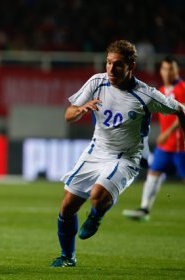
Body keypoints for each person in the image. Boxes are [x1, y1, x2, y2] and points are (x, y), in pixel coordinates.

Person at [50, 40, 185, 268]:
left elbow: (180, 108)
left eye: (118, 65)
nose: (111, 70)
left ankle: (97, 215)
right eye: (109, 63)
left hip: (126, 158)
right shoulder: (97, 81)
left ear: (131, 65)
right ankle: (67, 258)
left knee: (97, 195)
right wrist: (81, 110)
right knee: (66, 207)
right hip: (95, 151)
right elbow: (68, 114)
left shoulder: (147, 95)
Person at [122, 56, 185, 221]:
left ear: (177, 70)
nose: (167, 72)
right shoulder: (162, 90)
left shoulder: (183, 88)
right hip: (165, 147)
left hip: (182, 146)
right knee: (153, 173)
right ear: (161, 71)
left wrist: (168, 132)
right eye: (165, 69)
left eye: (171, 69)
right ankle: (144, 209)